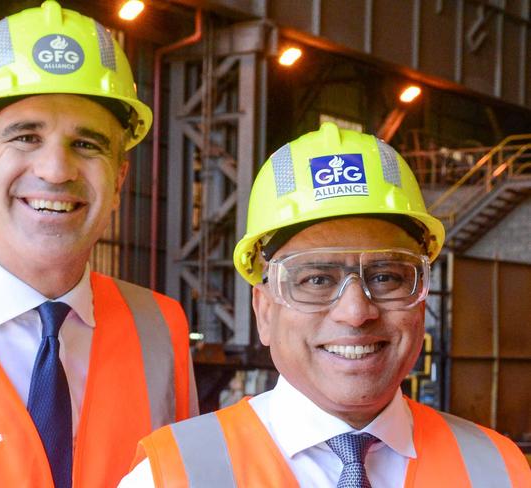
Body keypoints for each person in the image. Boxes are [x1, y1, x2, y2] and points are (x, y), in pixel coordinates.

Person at [0, 2, 198, 487]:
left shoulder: (159, 329)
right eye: (26, 137)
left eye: (87, 144)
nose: (55, 171)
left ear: (119, 181)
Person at [120, 122, 531, 487]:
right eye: (316, 280)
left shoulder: (499, 472)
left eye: (386, 276)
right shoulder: (173, 477)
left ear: (421, 299)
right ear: (264, 311)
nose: (355, 312)